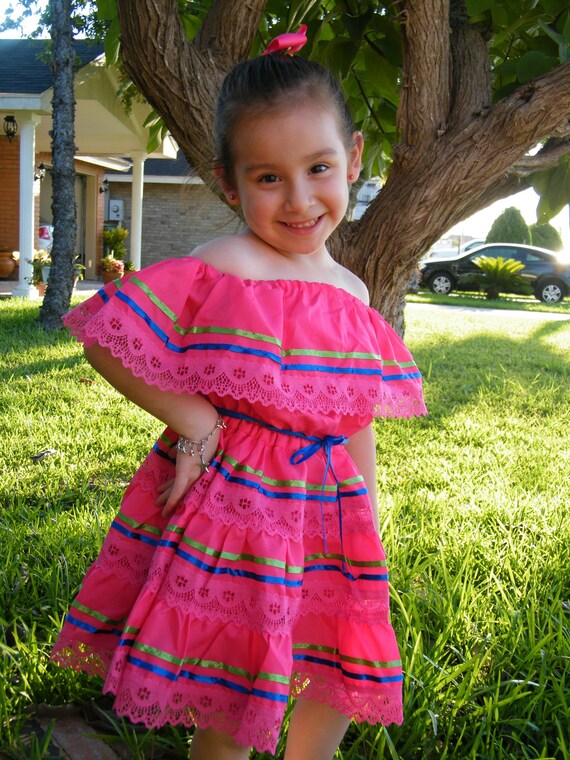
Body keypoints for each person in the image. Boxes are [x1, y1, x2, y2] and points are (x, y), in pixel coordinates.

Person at [52, 26, 427, 760]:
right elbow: (105, 336)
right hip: (240, 509)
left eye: (319, 168)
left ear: (352, 158)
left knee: (333, 652)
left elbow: (352, 416)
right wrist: (196, 420)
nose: (299, 200)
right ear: (230, 183)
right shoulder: (228, 264)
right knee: (236, 680)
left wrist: (369, 515)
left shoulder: (353, 292)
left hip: (327, 510)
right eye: (267, 178)